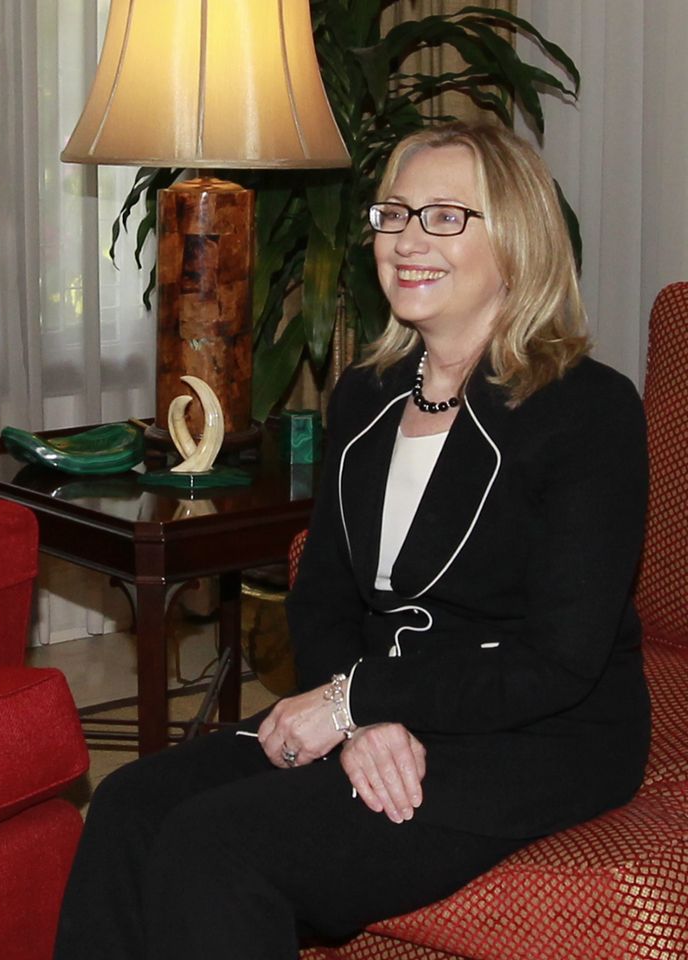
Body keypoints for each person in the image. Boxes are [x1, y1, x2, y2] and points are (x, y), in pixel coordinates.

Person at [52, 121, 650, 959]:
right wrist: (362, 715)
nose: (408, 240)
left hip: (540, 735)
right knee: (129, 806)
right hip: (382, 701)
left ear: (515, 241)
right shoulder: (365, 395)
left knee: (220, 845)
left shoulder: (589, 411)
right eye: (396, 213)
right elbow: (326, 592)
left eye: (445, 217)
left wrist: (358, 703)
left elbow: (554, 661)